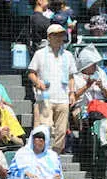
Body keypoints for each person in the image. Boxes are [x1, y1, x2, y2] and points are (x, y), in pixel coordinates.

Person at [28, 24, 76, 154]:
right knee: (45, 128)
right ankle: (42, 154)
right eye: (56, 35)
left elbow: (71, 76)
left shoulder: (68, 55)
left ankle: (55, 155)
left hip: (63, 97)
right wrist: (38, 82)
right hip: (45, 97)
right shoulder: (39, 54)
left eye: (61, 35)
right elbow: (31, 73)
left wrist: (72, 93)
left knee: (61, 131)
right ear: (49, 37)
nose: (59, 38)